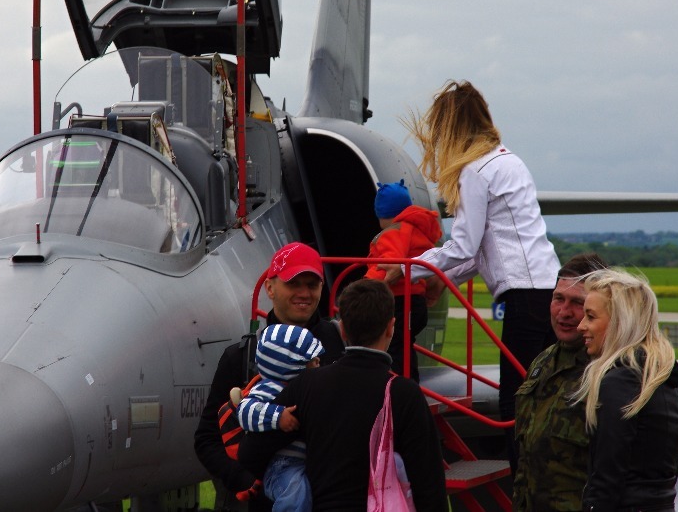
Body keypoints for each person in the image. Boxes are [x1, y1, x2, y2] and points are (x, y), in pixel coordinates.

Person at [383, 80, 560, 469]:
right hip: (550, 289)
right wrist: (436, 278)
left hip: (524, 296)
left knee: (515, 400)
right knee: (547, 395)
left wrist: (409, 269)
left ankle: (524, 485)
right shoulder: (509, 160)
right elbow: (483, 253)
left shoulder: (474, 172)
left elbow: (463, 247)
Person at [239, 279, 448, 511]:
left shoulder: (308, 383)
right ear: (391, 327)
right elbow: (429, 486)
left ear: (343, 329)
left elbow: (250, 453)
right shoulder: (404, 393)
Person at [194, 242, 345, 511]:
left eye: (312, 285)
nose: (304, 293)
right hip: (268, 498)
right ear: (270, 288)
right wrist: (241, 478)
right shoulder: (242, 356)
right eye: (294, 284)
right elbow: (207, 438)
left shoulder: (341, 346)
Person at [572, 268, 678, 512]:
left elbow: (608, 473)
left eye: (591, 317)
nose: (581, 326)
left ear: (619, 324)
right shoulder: (661, 376)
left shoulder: (618, 382)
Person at [512, 252, 608, 512]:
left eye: (577, 303)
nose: (564, 312)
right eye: (558, 299)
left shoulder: (607, 372)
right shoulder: (542, 363)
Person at [236, 324, 325, 512]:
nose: (318, 361)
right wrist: (277, 416)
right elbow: (245, 410)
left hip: (306, 463)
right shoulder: (269, 388)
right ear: (290, 365)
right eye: (311, 359)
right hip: (282, 466)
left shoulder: (308, 388)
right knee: (295, 494)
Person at [364, 179, 444, 380]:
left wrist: (365, 286)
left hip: (400, 301)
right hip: (415, 301)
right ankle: (409, 385)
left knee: (394, 348)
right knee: (405, 346)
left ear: (383, 214)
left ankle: (399, 386)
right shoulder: (417, 230)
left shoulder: (394, 232)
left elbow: (390, 263)